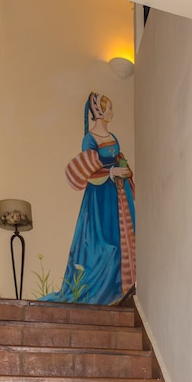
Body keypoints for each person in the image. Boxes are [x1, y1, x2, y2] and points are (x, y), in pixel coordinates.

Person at [41, 92, 135, 304]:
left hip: (118, 194)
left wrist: (125, 171)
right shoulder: (90, 139)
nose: (112, 113)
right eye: (109, 108)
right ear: (99, 111)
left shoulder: (113, 136)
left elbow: (118, 158)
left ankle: (119, 291)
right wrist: (111, 172)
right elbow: (89, 170)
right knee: (104, 246)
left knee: (121, 241)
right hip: (100, 196)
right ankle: (96, 293)